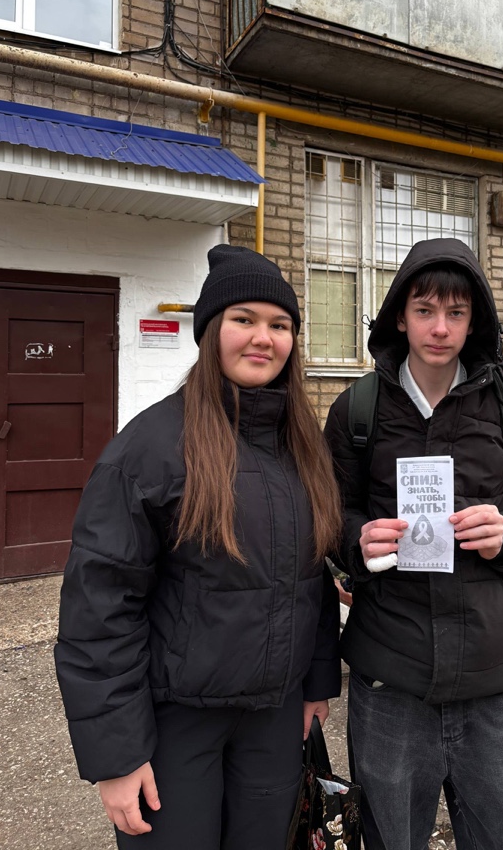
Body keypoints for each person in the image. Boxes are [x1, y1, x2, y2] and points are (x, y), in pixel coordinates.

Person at [55, 245, 342, 850]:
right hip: (176, 726)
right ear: (211, 331)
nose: (263, 338)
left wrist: (316, 684)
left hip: (272, 723)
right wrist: (117, 755)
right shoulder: (150, 448)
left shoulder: (303, 448)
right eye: (244, 319)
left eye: (280, 324)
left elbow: (311, 577)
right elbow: (100, 608)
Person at [324, 237, 503, 850]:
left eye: (455, 313)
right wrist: (357, 539)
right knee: (391, 839)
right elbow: (330, 515)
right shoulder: (357, 410)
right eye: (425, 310)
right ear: (400, 317)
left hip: (490, 677)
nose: (439, 328)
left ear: (473, 320)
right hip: (391, 677)